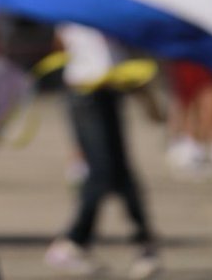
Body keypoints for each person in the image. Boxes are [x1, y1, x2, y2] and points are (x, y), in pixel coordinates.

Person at [45, 24, 161, 279]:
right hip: (85, 93)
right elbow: (62, 48)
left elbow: (124, 58)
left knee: (122, 173)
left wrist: (147, 99)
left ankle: (145, 244)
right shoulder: (74, 13)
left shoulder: (111, 15)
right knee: (103, 173)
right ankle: (73, 242)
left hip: (110, 92)